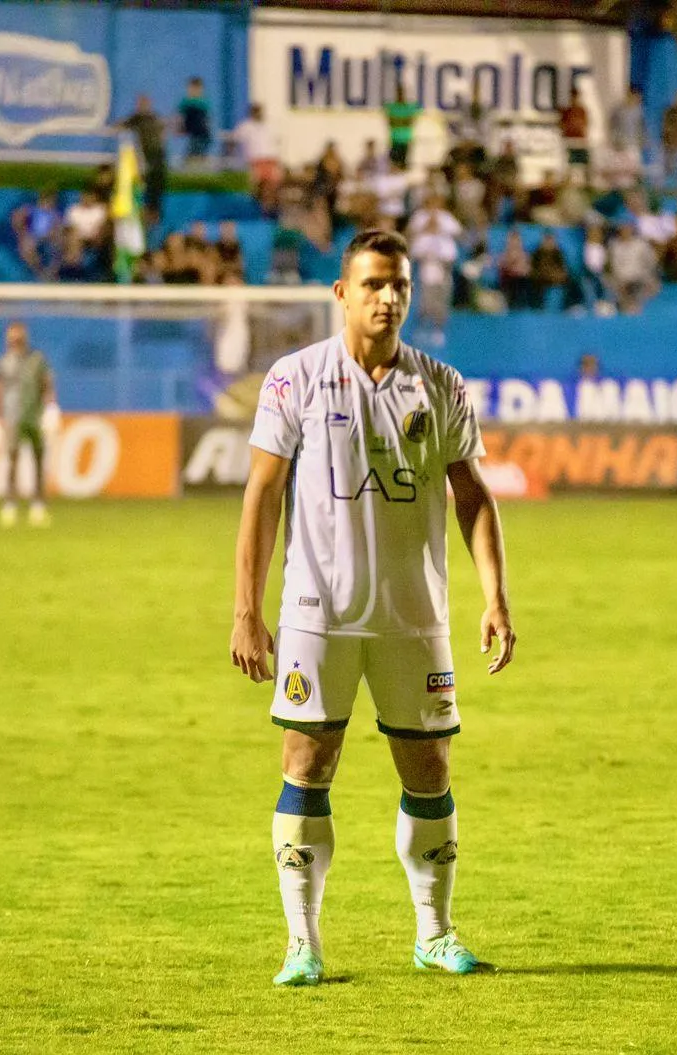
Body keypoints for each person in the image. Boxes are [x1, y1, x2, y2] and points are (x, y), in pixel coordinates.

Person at [230, 228, 515, 987]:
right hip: (315, 614)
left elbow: (474, 496)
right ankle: (303, 943)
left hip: (413, 616)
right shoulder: (295, 380)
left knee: (429, 767)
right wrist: (244, 610)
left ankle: (435, 933)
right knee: (306, 762)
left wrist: (495, 596)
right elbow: (260, 495)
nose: (389, 299)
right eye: (374, 285)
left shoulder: (442, 386)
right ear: (342, 294)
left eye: (400, 287)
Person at [0, 321, 58, 528]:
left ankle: (38, 506)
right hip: (12, 418)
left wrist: (51, 407)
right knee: (12, 462)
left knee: (38, 461)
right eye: (12, 337)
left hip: (34, 417)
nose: (16, 341)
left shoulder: (37, 359)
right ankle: (9, 506)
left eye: (19, 337)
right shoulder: (3, 363)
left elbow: (46, 384)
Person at [118, 95, 168, 224]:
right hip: (147, 155)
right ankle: (149, 211)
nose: (143, 106)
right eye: (141, 103)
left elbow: (163, 131)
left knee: (157, 183)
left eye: (145, 103)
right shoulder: (136, 119)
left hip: (158, 155)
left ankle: (154, 212)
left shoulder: (154, 118)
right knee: (149, 182)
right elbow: (120, 125)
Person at [410, 214, 458, 344]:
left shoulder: (446, 241)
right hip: (425, 276)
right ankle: (421, 330)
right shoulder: (422, 239)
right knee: (424, 305)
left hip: (442, 277)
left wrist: (439, 258)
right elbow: (415, 256)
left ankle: (439, 331)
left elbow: (451, 258)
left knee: (440, 306)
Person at [232, 104, 282, 212]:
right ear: (251, 113)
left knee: (275, 186)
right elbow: (233, 142)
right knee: (254, 185)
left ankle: (273, 209)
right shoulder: (245, 127)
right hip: (255, 162)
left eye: (259, 111)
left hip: (271, 161)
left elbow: (277, 143)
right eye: (256, 111)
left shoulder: (269, 126)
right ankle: (255, 207)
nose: (258, 114)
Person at [384, 83, 421, 171]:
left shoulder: (409, 107)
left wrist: (400, 121)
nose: (400, 95)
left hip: (405, 140)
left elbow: (411, 121)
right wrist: (403, 120)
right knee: (394, 164)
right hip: (395, 140)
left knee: (403, 165)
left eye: (402, 93)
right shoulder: (392, 107)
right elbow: (391, 122)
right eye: (398, 93)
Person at [179, 77, 212, 163]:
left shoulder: (201, 102)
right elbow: (180, 116)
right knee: (193, 156)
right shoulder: (187, 102)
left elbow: (206, 119)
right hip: (196, 134)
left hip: (201, 134)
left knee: (194, 156)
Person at [559, 89, 590, 180]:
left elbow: (585, 124)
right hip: (569, 139)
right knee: (568, 161)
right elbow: (561, 124)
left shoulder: (581, 110)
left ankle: (585, 178)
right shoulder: (566, 111)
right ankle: (567, 178)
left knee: (582, 161)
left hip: (579, 139)